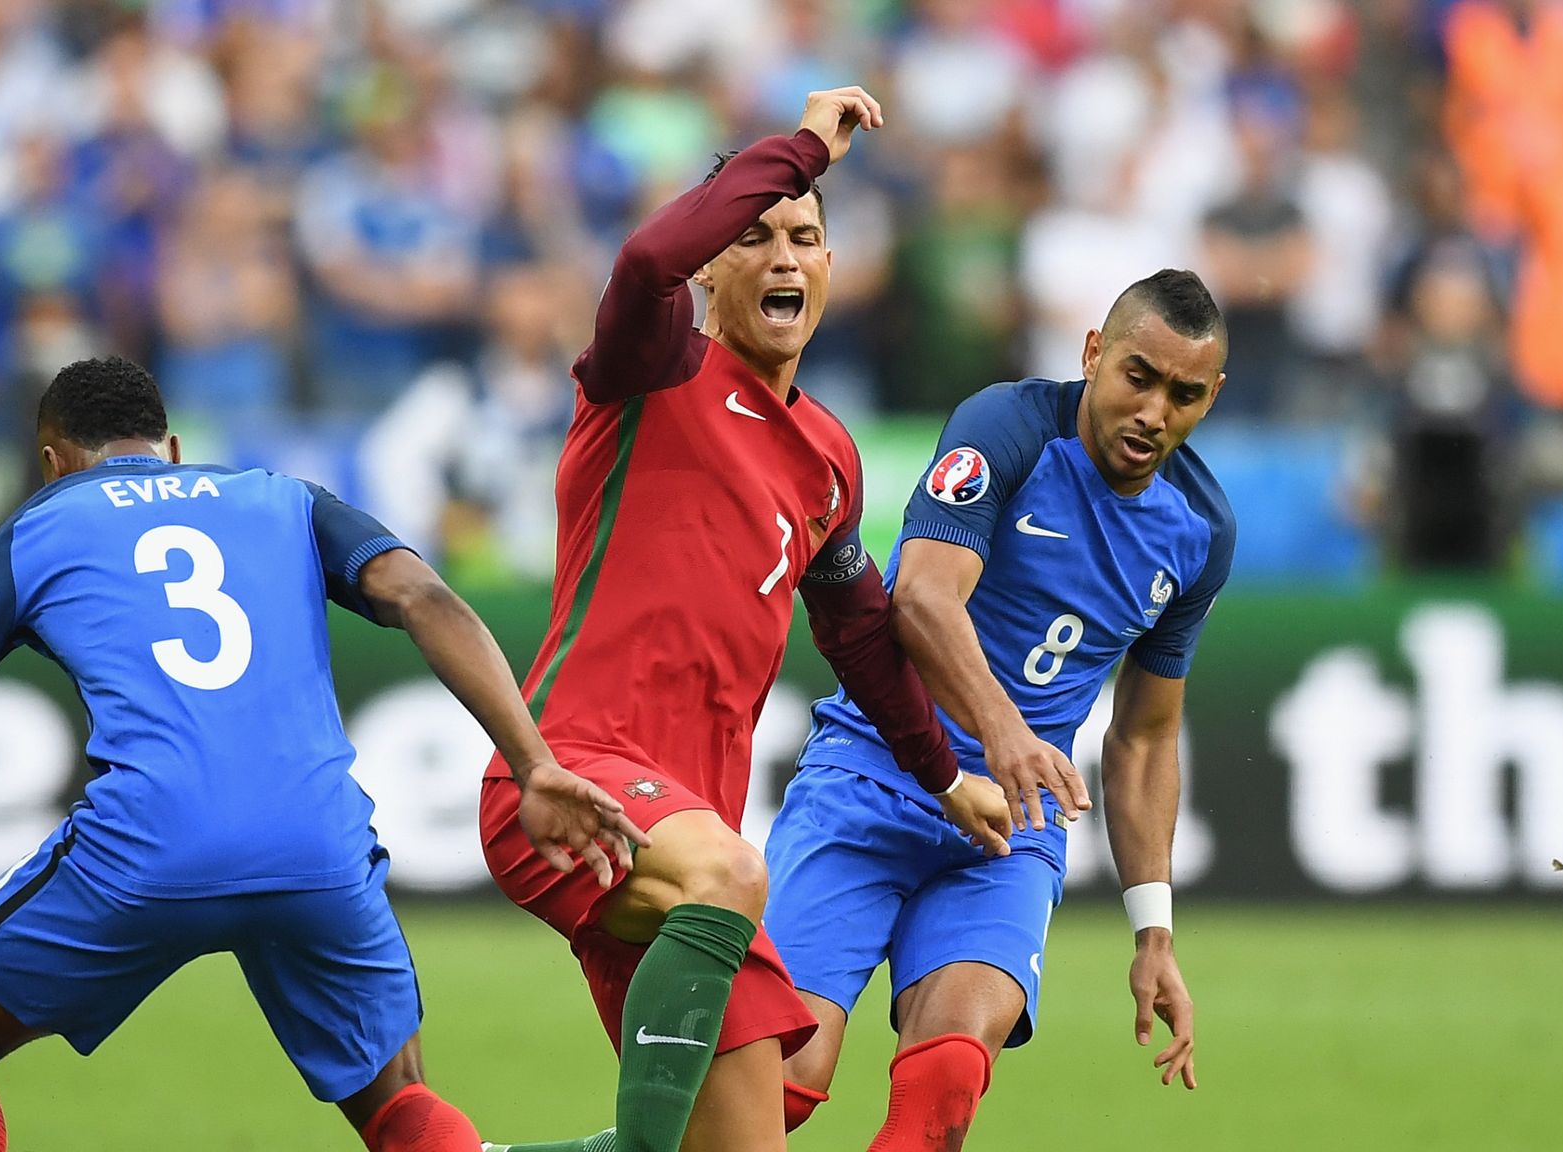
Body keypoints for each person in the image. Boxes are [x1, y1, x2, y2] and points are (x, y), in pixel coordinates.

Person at [0, 356, 645, 1152]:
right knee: (395, 1101)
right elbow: (423, 596)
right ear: (174, 448)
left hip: (149, 846)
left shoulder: (40, 524)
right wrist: (534, 763)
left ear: (52, 460)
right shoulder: (283, 496)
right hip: (317, 849)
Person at [475, 89, 1011, 1152]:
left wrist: (945, 777)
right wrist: (805, 147)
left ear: (831, 270)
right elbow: (641, 264)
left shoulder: (827, 455)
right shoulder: (653, 366)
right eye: (754, 236)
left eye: (805, 238)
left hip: (689, 860)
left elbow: (858, 633)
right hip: (575, 781)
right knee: (730, 871)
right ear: (712, 268)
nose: (781, 258)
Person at [767, 270, 1236, 1147]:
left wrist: (1154, 931)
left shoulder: (1199, 531)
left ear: (1211, 398)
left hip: (1009, 831)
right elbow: (922, 600)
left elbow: (1143, 736)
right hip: (875, 776)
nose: (1154, 412)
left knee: (945, 1083)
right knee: (779, 1080)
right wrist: (1006, 733)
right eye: (1138, 376)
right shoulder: (1007, 428)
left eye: (1184, 395)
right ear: (1094, 354)